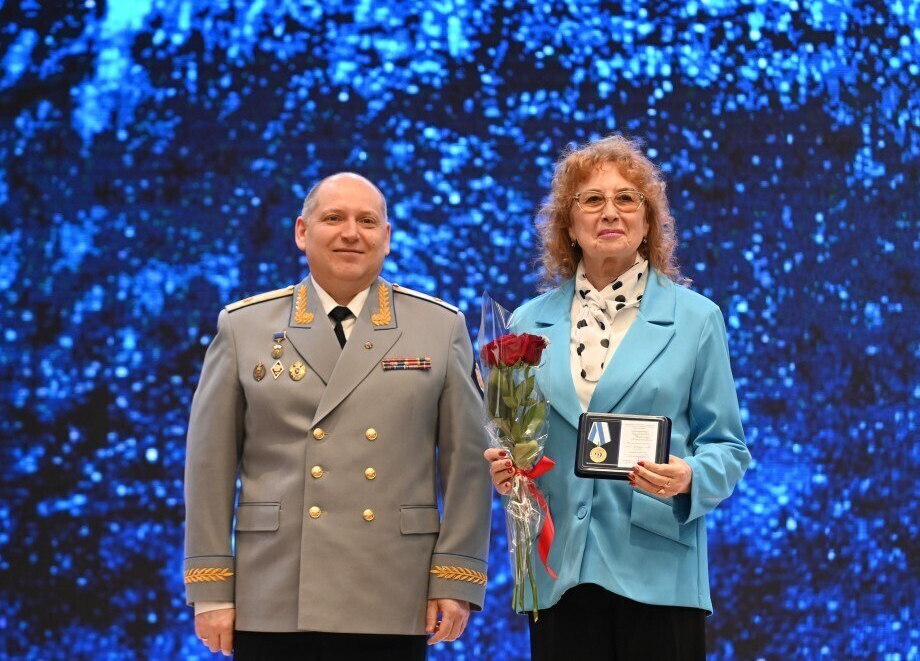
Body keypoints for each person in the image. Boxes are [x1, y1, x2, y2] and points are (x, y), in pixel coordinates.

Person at [184, 172, 492, 660]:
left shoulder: (439, 326)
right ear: (302, 231)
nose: (351, 233)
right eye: (334, 218)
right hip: (274, 587)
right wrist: (211, 588)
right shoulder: (244, 327)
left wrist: (456, 575)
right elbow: (208, 467)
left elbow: (469, 465)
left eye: (367, 221)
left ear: (386, 238)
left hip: (395, 586)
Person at [484, 135, 751, 660]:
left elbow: (728, 447)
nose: (610, 212)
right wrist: (507, 468)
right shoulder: (526, 322)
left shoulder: (697, 318)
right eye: (592, 199)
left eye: (627, 198)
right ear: (568, 225)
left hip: (658, 572)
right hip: (558, 571)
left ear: (649, 222)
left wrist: (690, 475)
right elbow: (518, 441)